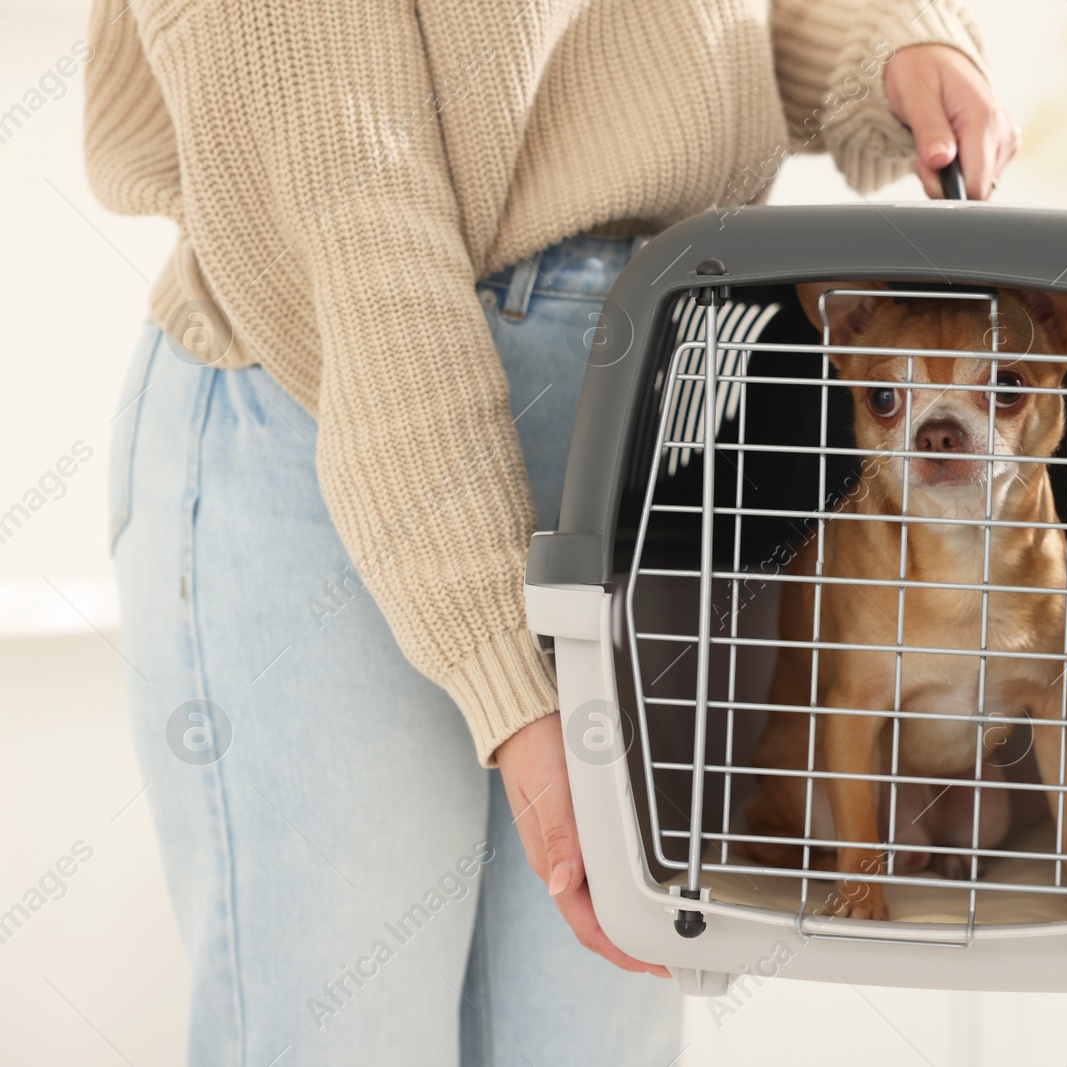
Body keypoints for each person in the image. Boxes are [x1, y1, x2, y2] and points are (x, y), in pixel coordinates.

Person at [85, 1, 1019, 1063]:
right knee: (344, 1035)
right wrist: (508, 680)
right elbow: (355, 224)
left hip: (643, 410)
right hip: (332, 389)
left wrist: (890, 47)